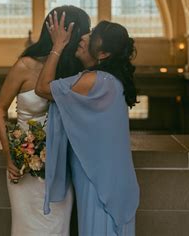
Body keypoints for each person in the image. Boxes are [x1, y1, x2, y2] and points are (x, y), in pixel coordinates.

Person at [35, 13, 140, 235]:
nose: (83, 38)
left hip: (99, 183)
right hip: (110, 179)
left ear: (103, 53)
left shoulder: (96, 81)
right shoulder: (110, 81)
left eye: (92, 36)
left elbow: (43, 88)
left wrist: (57, 46)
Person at [0, 6, 91, 236]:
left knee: (58, 229)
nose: (85, 39)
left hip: (61, 168)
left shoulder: (76, 69)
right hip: (24, 168)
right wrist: (9, 155)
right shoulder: (24, 66)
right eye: (83, 32)